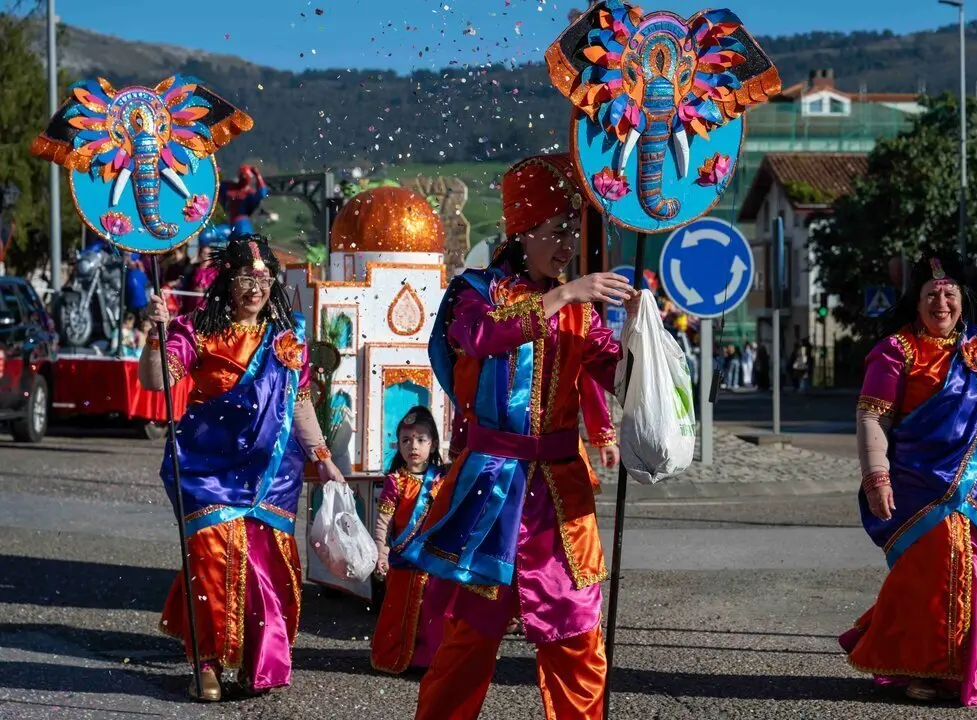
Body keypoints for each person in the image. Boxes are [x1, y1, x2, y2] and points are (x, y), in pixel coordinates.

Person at [394, 154, 640, 720]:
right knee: (470, 637)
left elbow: (612, 373)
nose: (567, 245)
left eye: (574, 233)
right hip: (492, 495)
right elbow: (480, 336)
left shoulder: (582, 308)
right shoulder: (475, 291)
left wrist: (645, 339)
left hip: (560, 497)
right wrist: (563, 296)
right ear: (522, 234)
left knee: (577, 632)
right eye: (558, 233)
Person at [139, 234, 345, 701]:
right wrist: (157, 333)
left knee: (266, 567)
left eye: (264, 278)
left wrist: (325, 460)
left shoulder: (287, 341)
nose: (256, 287)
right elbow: (156, 382)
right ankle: (206, 662)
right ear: (227, 279)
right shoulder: (195, 331)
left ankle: (259, 664)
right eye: (246, 277)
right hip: (206, 469)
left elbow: (299, 404)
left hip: (272, 473)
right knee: (211, 558)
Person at [839, 254, 977, 705]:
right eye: (931, 293)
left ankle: (963, 669)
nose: (941, 300)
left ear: (963, 300)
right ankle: (925, 668)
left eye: (950, 292)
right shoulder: (896, 350)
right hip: (919, 482)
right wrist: (877, 477)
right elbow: (872, 417)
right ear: (916, 303)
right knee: (931, 573)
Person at [371, 406, 457, 674]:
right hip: (403, 559)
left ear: (433, 445)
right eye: (406, 440)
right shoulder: (395, 481)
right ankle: (395, 656)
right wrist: (381, 552)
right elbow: (383, 522)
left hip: (433, 560)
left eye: (421, 440)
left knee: (433, 611)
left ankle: (429, 659)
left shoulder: (443, 480)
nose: (413, 447)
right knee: (399, 609)